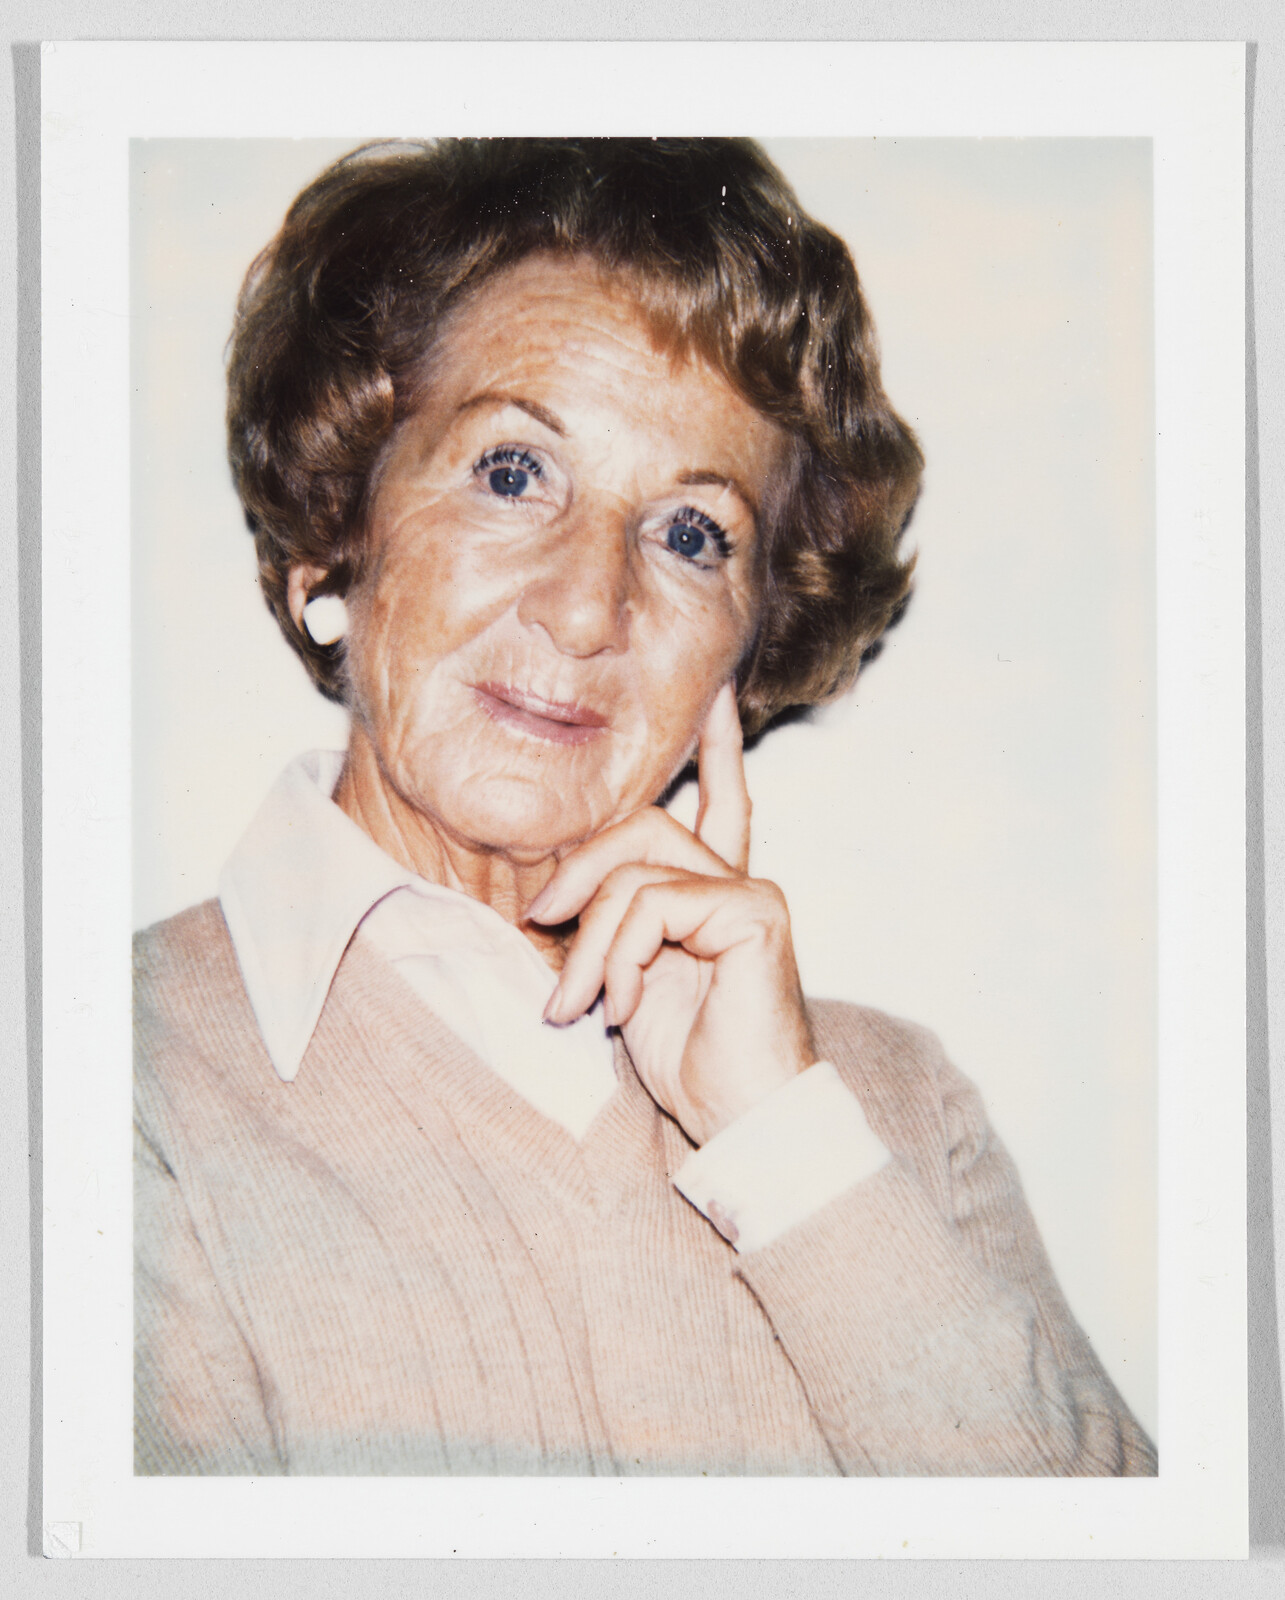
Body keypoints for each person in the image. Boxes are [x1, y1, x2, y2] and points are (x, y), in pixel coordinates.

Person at [133, 137, 1156, 1477]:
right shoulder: (112, 1080)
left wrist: (778, 1139)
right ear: (337, 534)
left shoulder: (895, 1111)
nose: (585, 605)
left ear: (746, 647)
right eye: (513, 474)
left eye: (689, 533)